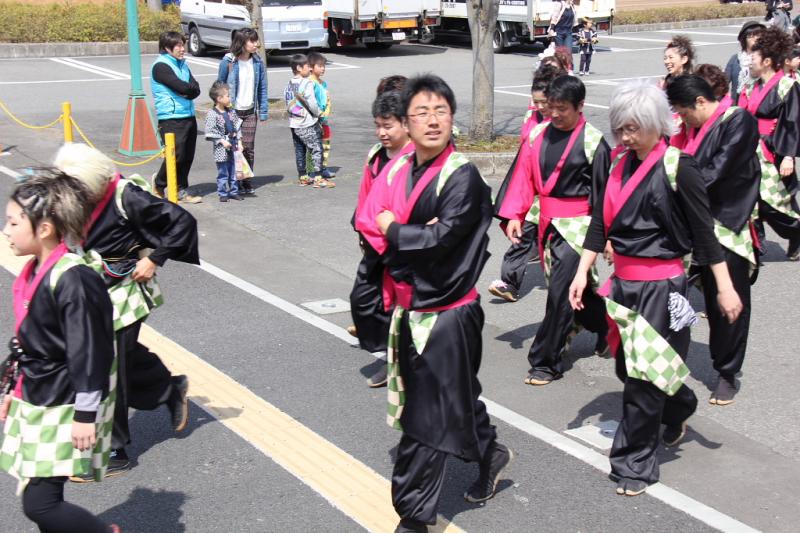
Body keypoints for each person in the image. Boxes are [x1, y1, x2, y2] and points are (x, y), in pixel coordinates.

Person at [569, 79, 743, 497]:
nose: (626, 137)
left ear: (657, 124)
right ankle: (681, 404)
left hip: (662, 288)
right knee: (628, 370)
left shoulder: (678, 166)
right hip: (623, 285)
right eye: (620, 128)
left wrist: (724, 287)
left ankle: (634, 465)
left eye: (634, 128)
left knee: (643, 381)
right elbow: (598, 224)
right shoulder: (614, 163)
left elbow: (705, 236)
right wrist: (582, 271)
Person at [355, 75, 512, 533]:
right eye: (421, 112)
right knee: (454, 399)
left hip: (448, 312)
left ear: (452, 118)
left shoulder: (463, 176)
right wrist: (403, 235)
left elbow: (441, 242)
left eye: (440, 110)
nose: (432, 120)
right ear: (406, 123)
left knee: (423, 416)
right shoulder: (400, 169)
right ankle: (491, 451)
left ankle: (414, 517)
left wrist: (395, 230)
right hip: (409, 308)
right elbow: (367, 218)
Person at [53, 143, 199, 481]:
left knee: (107, 367)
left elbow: (182, 222)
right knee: (123, 355)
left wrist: (154, 258)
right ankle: (168, 387)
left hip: (125, 288)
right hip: (91, 287)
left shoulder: (126, 195)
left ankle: (114, 450)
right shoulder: (78, 194)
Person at [1, 173, 120, 533]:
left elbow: (90, 349)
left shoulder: (73, 278)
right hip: (41, 392)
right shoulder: (37, 269)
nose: (5, 230)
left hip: (66, 399)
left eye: (13, 222)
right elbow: (30, 341)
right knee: (39, 495)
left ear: (45, 229)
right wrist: (11, 390)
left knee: (41, 503)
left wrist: (86, 413)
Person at [495, 75, 610, 385]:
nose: (555, 114)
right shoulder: (538, 134)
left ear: (580, 106)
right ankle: (609, 326)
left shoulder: (594, 142)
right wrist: (516, 214)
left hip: (579, 227)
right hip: (547, 220)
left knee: (559, 293)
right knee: (578, 291)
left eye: (562, 109)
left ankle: (546, 362)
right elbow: (523, 177)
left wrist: (607, 238)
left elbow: (605, 197)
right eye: (551, 107)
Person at [667, 75, 760, 405]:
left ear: (701, 102)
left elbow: (717, 171)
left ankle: (727, 371)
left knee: (728, 303)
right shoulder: (688, 130)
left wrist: (674, 192)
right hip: (690, 220)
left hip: (725, 224)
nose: (682, 118)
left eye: (683, 111)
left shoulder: (738, 121)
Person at [349, 90, 413, 388]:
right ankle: (393, 355)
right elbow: (365, 197)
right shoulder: (375, 156)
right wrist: (362, 229)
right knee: (363, 300)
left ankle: (399, 362)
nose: (382, 132)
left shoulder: (416, 157)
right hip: (376, 242)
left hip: (405, 244)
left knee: (402, 308)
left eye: (388, 126)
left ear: (405, 124)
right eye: (378, 125)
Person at [488, 64, 563, 303]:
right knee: (521, 233)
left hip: (565, 205)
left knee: (565, 259)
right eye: (535, 102)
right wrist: (513, 212)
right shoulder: (533, 119)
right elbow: (524, 165)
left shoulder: (574, 130)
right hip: (536, 196)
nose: (539, 107)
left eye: (543, 102)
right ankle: (510, 282)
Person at [738, 26, 800, 259]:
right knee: (749, 199)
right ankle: (755, 245)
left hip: (773, 149)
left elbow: (792, 122)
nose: (749, 61)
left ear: (766, 61)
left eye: (752, 57)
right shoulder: (751, 87)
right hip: (751, 150)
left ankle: (796, 232)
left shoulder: (786, 86)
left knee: (775, 204)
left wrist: (788, 155)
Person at [151, 31, 202, 204]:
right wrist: (187, 90)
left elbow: (195, 89)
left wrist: (187, 90)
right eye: (178, 45)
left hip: (188, 115)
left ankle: (181, 189)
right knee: (176, 155)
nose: (182, 49)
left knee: (188, 155)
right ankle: (159, 184)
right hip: (171, 118)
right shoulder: (161, 66)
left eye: (183, 44)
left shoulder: (183, 65)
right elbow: (181, 86)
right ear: (167, 48)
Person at [217, 28, 268, 196]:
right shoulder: (229, 62)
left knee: (248, 148)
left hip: (250, 111)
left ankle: (246, 180)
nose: (256, 44)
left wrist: (263, 111)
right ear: (242, 43)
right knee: (233, 148)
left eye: (256, 40)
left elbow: (262, 87)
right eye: (252, 41)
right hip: (232, 112)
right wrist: (220, 111)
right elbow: (219, 85)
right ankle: (233, 182)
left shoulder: (258, 62)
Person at [284, 54, 332, 189]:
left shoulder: (289, 84)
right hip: (307, 122)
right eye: (307, 67)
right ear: (299, 68)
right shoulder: (307, 83)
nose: (309, 69)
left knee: (300, 150)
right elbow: (312, 103)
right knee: (316, 148)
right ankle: (318, 177)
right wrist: (318, 114)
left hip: (294, 122)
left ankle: (303, 177)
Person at [205, 81, 244, 202]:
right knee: (223, 171)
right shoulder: (212, 114)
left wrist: (240, 142)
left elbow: (237, 127)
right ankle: (222, 192)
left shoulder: (231, 111)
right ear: (219, 98)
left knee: (234, 169)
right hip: (222, 147)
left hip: (234, 144)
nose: (229, 98)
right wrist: (221, 140)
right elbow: (210, 131)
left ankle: (234, 191)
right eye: (227, 96)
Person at [308, 51, 336, 180]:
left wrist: (326, 112)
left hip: (324, 119)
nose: (323, 68)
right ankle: (312, 170)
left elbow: (327, 101)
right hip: (313, 120)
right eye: (319, 66)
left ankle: (323, 167)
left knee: (325, 143)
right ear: (311, 67)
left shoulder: (323, 83)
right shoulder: (309, 83)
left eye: (324, 65)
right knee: (313, 145)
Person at [724, 21, 765, 103]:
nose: (755, 38)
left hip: (761, 104)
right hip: (737, 104)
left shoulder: (767, 59)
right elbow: (724, 82)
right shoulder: (735, 59)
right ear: (744, 40)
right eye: (750, 36)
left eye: (758, 35)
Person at [548, 0, 576, 71]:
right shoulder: (559, 4)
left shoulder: (572, 6)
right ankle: (559, 69)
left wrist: (578, 29)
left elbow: (574, 19)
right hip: (559, 32)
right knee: (560, 53)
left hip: (568, 32)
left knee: (568, 52)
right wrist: (552, 28)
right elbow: (554, 17)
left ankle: (569, 69)